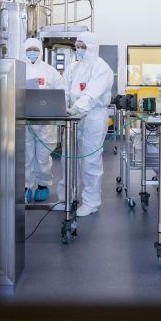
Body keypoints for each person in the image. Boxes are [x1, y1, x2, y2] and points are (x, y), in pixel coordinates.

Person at [62, 31, 114, 217]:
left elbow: (92, 94)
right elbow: (64, 89)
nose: (79, 50)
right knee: (68, 156)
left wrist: (77, 107)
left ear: (92, 47)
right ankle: (67, 195)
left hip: (94, 116)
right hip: (73, 116)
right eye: (77, 46)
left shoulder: (102, 68)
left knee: (90, 159)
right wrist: (62, 105)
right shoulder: (73, 67)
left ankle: (91, 202)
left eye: (83, 46)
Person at [23, 37, 66, 203]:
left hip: (46, 121)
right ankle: (25, 187)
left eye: (35, 49)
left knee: (43, 155)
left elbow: (62, 91)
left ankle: (43, 185)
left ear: (40, 51)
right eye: (29, 50)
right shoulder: (19, 69)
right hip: (25, 119)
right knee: (25, 155)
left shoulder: (50, 71)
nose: (32, 53)